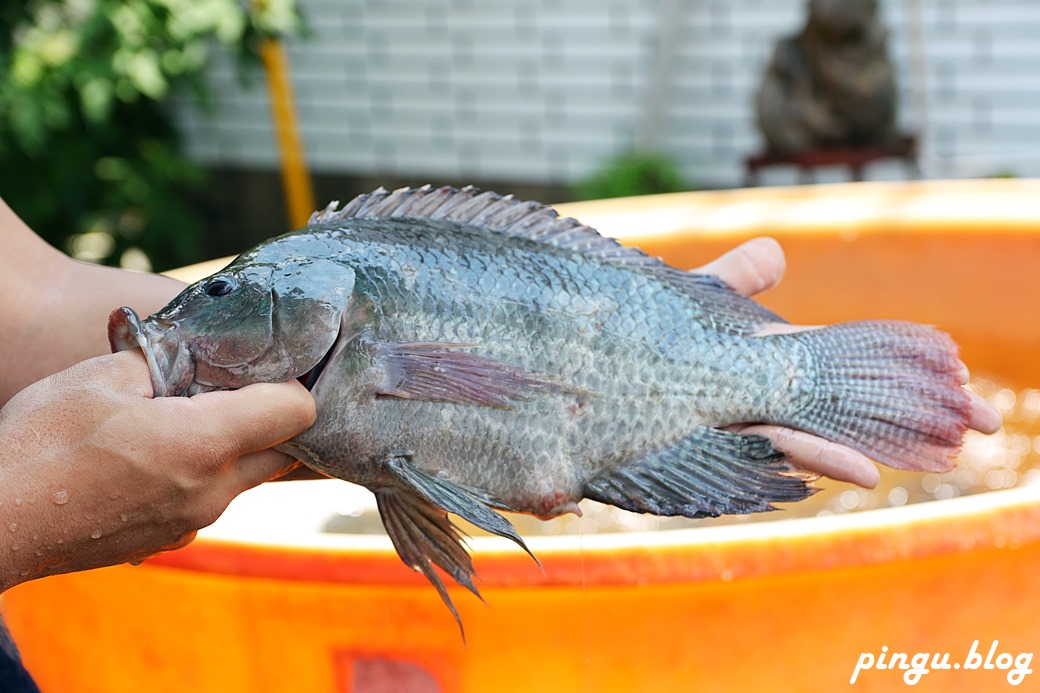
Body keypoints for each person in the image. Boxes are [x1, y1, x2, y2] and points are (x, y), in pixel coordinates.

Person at [0, 196, 999, 688]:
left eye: (218, 297)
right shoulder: (319, 301)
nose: (183, 321)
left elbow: (28, 300)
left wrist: (691, 342)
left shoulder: (330, 301)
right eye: (213, 296)